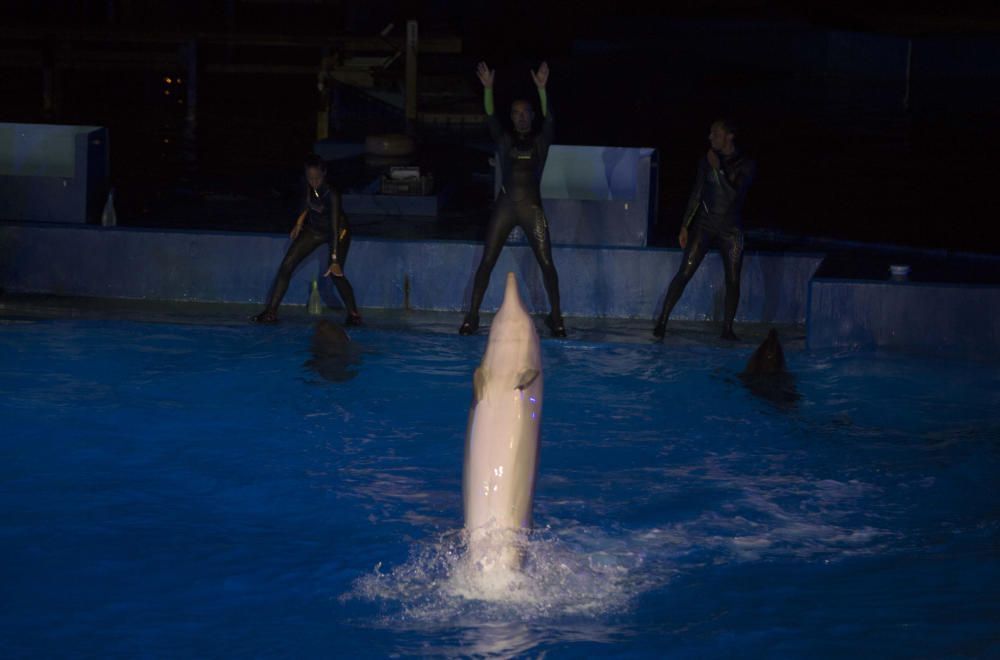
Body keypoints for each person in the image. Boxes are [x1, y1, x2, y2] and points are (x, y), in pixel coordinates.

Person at [458, 60, 566, 337]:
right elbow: (491, 117)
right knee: (487, 261)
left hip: (532, 209)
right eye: (516, 113)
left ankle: (557, 318)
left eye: (525, 113)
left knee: (547, 264)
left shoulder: (541, 142)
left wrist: (542, 90)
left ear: (532, 115)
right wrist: (489, 89)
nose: (520, 117)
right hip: (506, 207)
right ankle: (472, 317)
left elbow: (551, 119)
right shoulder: (505, 141)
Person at [653, 119, 755, 341]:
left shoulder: (746, 164)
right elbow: (698, 192)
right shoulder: (706, 160)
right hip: (705, 225)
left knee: (733, 279)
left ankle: (727, 329)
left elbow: (733, 196)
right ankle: (662, 321)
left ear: (729, 136)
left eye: (715, 134)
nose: (710, 138)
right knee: (685, 272)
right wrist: (685, 225)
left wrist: (718, 171)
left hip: (731, 228)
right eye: (710, 133)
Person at [253, 154, 362, 325]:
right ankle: (270, 313)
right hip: (315, 229)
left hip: (338, 231)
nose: (314, 182)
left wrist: (334, 259)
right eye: (310, 178)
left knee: (335, 273)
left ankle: (354, 315)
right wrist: (299, 223)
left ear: (324, 173)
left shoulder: (332, 194)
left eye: (317, 178)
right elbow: (307, 203)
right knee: (287, 265)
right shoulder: (308, 186)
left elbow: (334, 228)